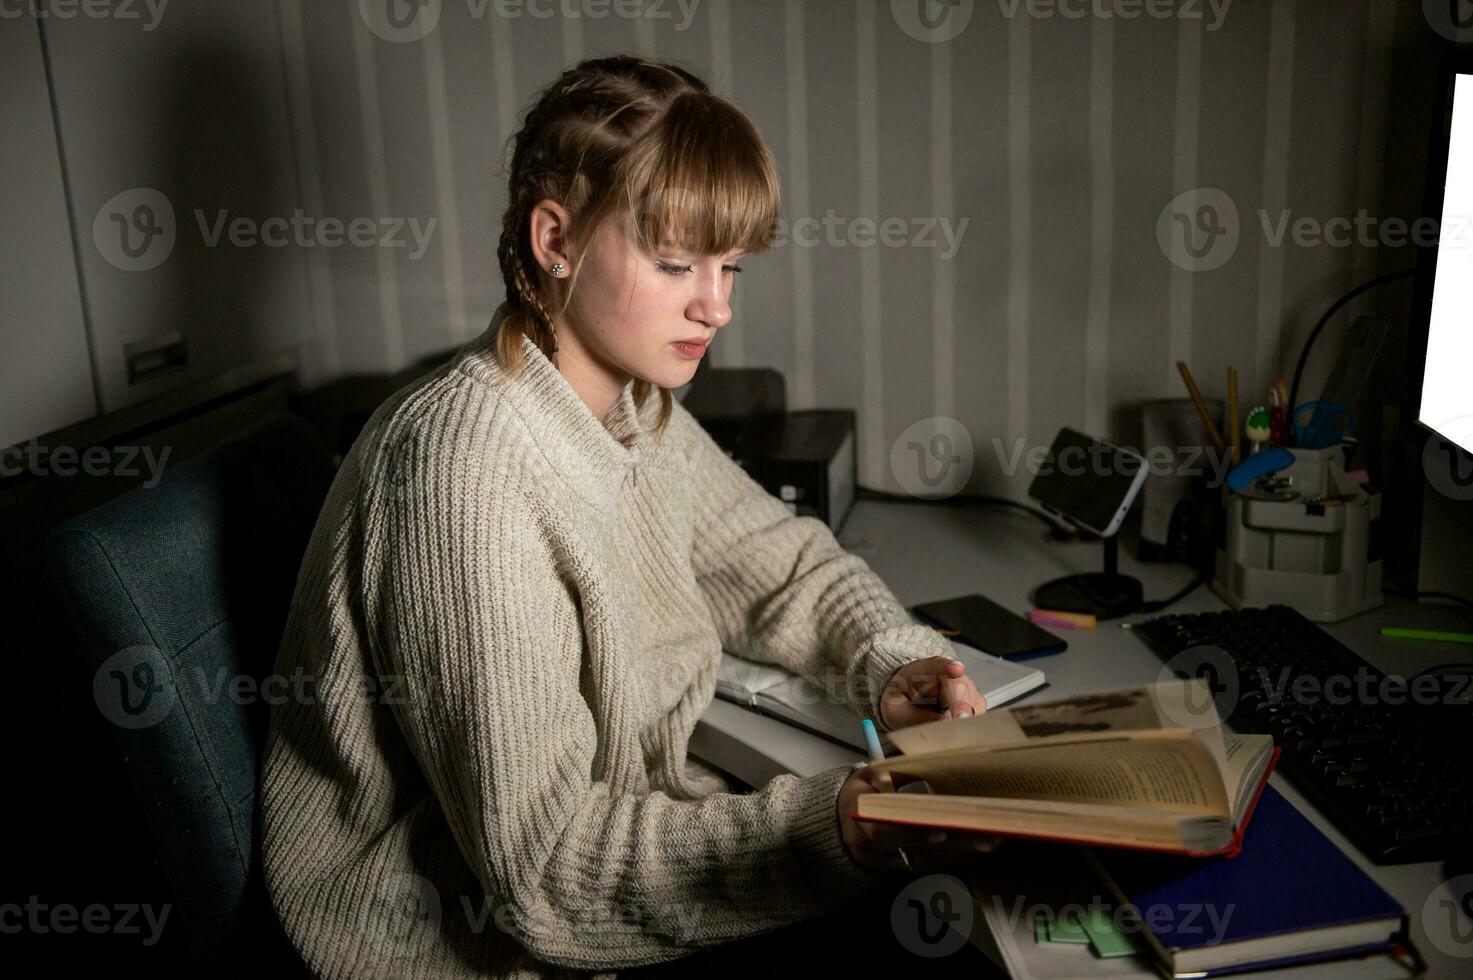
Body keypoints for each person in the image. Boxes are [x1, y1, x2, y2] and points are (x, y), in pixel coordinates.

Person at [260, 54, 995, 979]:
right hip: (462, 939)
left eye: (729, 265)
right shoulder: (461, 473)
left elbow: (778, 562)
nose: (716, 304)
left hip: (610, 861)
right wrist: (841, 824)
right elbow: (547, 874)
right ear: (555, 240)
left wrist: (890, 662)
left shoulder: (631, 404)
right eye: (676, 261)